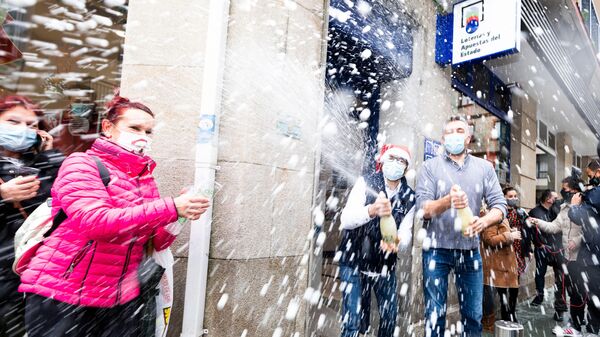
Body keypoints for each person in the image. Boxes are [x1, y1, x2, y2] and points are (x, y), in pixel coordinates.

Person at [18, 94, 210, 337]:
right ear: (108, 128)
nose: (142, 136)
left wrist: (179, 217)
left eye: (149, 132)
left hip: (117, 297)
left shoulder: (144, 179)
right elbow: (95, 222)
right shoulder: (82, 164)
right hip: (63, 293)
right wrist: (170, 207)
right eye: (134, 128)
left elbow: (153, 242)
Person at [415, 116, 507, 337]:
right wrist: (448, 201)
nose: (454, 135)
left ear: (468, 138)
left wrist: (484, 221)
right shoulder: (429, 167)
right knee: (434, 315)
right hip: (436, 251)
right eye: (449, 132)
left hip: (470, 251)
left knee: (473, 315)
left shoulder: (484, 168)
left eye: (459, 131)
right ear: (443, 138)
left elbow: (500, 205)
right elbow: (423, 209)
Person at [0, 95, 64, 337]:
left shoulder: (43, 163)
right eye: (13, 122)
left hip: (29, 269)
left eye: (31, 125)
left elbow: (55, 206)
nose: (22, 130)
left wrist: (48, 155)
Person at [338, 144, 415, 337]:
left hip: (384, 266)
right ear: (382, 160)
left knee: (389, 319)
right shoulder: (366, 183)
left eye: (401, 160)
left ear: (406, 167)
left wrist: (397, 242)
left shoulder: (410, 198)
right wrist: (370, 211)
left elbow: (406, 233)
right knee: (352, 322)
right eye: (392, 158)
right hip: (353, 260)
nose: (396, 163)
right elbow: (346, 220)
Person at [529, 177, 585, 336]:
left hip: (583, 258)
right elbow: (554, 226)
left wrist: (577, 240)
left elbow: (593, 229)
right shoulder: (564, 208)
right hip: (567, 257)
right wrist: (537, 222)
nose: (562, 192)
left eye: (565, 188)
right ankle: (575, 324)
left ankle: (583, 324)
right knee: (573, 291)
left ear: (575, 190)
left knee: (582, 292)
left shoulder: (586, 206)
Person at [481, 186, 529, 331]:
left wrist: (511, 232)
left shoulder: (502, 213)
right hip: (497, 263)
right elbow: (489, 239)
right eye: (509, 196)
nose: (513, 199)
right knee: (493, 296)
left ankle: (507, 318)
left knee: (510, 291)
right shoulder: (490, 214)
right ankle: (491, 323)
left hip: (507, 262)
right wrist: (510, 236)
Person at [529, 189, 567, 320]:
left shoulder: (558, 209)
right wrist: (538, 244)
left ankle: (560, 309)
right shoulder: (535, 211)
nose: (558, 200)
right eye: (555, 198)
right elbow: (531, 229)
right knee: (540, 274)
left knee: (560, 279)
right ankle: (539, 296)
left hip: (558, 250)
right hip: (542, 249)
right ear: (548, 199)